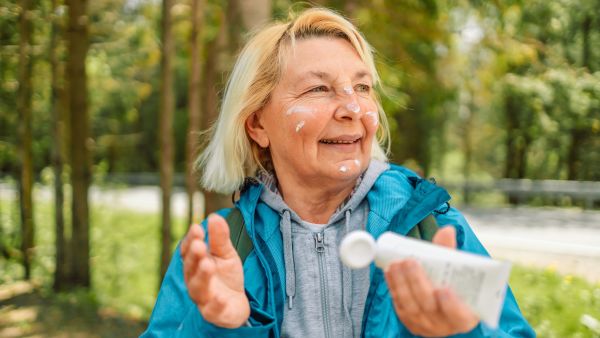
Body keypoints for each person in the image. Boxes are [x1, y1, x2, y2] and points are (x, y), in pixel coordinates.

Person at [141, 7, 535, 338]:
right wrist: (218, 327)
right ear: (257, 123)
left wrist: (462, 333)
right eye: (318, 89)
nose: (353, 109)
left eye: (362, 88)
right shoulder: (219, 248)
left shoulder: (433, 228)